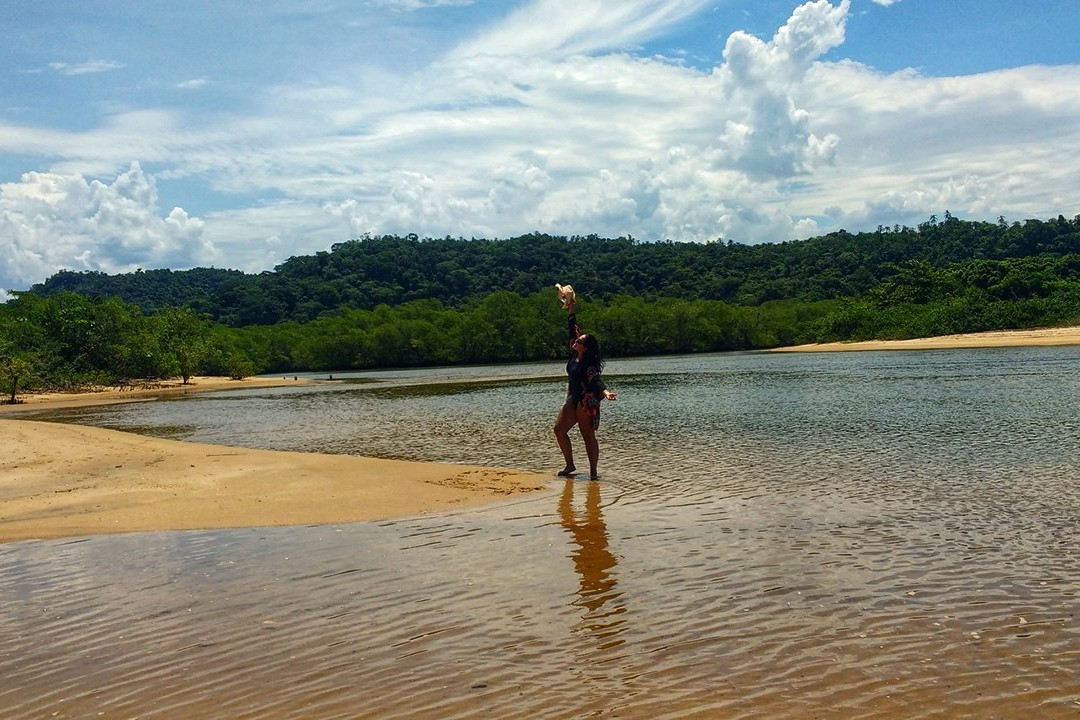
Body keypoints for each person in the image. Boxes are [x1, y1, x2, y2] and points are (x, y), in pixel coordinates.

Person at [553, 293, 617, 479]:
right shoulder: (574, 355)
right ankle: (570, 465)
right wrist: (571, 309)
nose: (576, 341)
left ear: (585, 348)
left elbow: (595, 380)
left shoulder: (588, 364)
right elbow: (572, 328)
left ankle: (594, 473)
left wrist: (605, 392)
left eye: (580, 341)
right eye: (577, 339)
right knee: (559, 429)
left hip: (586, 401)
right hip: (573, 397)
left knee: (587, 436)